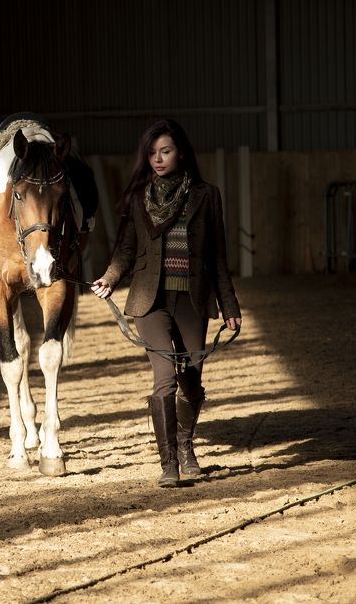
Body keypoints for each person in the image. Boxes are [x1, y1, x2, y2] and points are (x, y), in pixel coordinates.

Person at [90, 119, 241, 488]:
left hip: (192, 300)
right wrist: (110, 277)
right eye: (152, 153)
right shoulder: (137, 197)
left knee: (191, 382)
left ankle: (186, 446)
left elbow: (218, 257)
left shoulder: (206, 195)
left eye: (166, 151)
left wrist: (230, 306)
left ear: (181, 153)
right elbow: (126, 250)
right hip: (150, 301)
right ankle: (169, 462)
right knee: (165, 380)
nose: (158, 159)